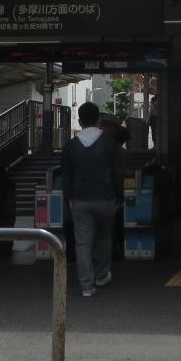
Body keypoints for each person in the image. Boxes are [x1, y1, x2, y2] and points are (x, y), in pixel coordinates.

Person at [60, 102, 123, 298]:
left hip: (80, 199)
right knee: (104, 238)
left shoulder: (71, 146)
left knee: (83, 244)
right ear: (99, 121)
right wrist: (119, 198)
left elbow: (66, 177)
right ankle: (102, 275)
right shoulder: (110, 144)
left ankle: (87, 286)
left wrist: (69, 198)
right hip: (105, 199)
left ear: (79, 121)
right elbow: (117, 173)